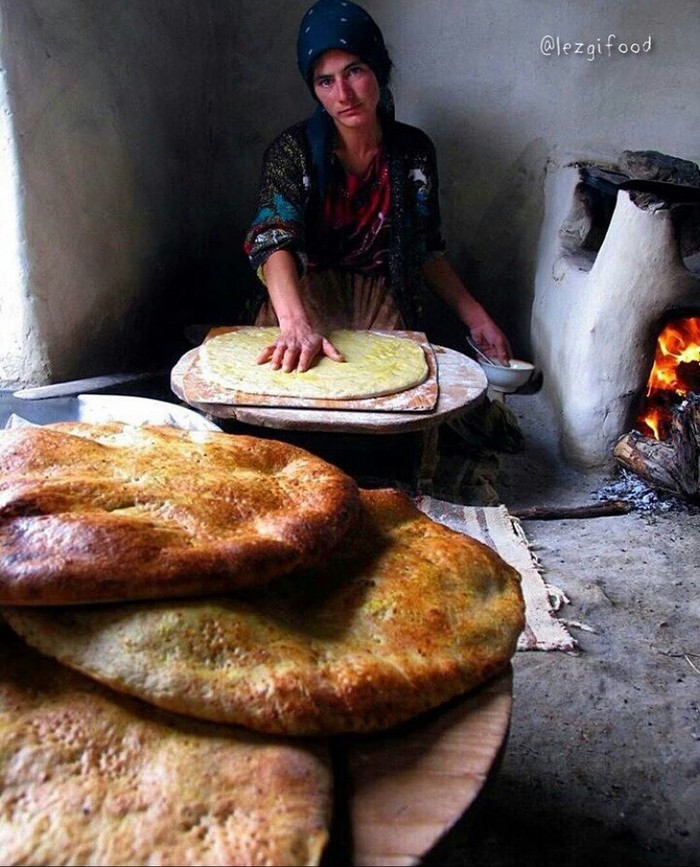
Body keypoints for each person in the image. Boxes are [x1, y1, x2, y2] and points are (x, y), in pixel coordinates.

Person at [244, 0, 511, 373]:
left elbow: (425, 249)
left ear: (378, 70)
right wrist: (294, 326)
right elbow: (272, 241)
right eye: (326, 80)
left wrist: (477, 318)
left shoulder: (413, 153)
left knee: (389, 397)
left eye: (354, 71)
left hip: (378, 300)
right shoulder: (293, 152)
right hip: (297, 299)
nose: (343, 93)